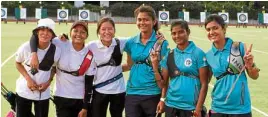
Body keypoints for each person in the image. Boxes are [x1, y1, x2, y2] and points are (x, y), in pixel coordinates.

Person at [30, 21, 95, 117]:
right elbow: (36, 36)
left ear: (86, 36)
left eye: (82, 32)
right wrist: (34, 54)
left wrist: (85, 107)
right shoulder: (60, 43)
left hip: (80, 99)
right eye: (75, 31)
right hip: (61, 96)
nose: (78, 34)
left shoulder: (89, 55)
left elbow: (89, 83)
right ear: (70, 33)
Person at [204, 14, 260, 117]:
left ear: (224, 28)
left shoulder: (238, 47)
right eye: (208, 30)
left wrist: (250, 65)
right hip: (218, 107)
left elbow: (255, 76)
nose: (211, 32)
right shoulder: (208, 55)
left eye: (215, 28)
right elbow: (204, 82)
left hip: (241, 109)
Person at [152, 20, 209, 117]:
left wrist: (198, 108)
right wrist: (154, 65)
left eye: (181, 32)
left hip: (191, 107)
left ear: (188, 32)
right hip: (171, 105)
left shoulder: (198, 53)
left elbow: (204, 83)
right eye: (174, 33)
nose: (177, 36)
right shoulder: (169, 55)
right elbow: (162, 84)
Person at [123, 5, 170, 117]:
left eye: (146, 19)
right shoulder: (131, 42)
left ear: (154, 21)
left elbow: (165, 75)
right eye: (139, 19)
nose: (142, 22)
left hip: (153, 93)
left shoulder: (162, 43)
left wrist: (163, 99)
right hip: (132, 93)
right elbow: (130, 65)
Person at [15, 18, 61, 117]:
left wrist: (48, 83)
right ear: (37, 32)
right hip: (24, 91)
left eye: (49, 31)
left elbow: (54, 68)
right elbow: (18, 63)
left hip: (43, 94)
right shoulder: (26, 47)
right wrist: (28, 79)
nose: (45, 33)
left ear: (52, 35)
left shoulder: (57, 51)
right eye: (42, 30)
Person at [87, 17, 126, 117]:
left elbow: (139, 39)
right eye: (103, 29)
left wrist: (156, 32)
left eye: (110, 29)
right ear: (98, 31)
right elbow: (75, 47)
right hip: (99, 90)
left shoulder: (120, 43)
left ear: (114, 30)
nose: (107, 32)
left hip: (119, 90)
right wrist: (61, 38)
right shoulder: (91, 46)